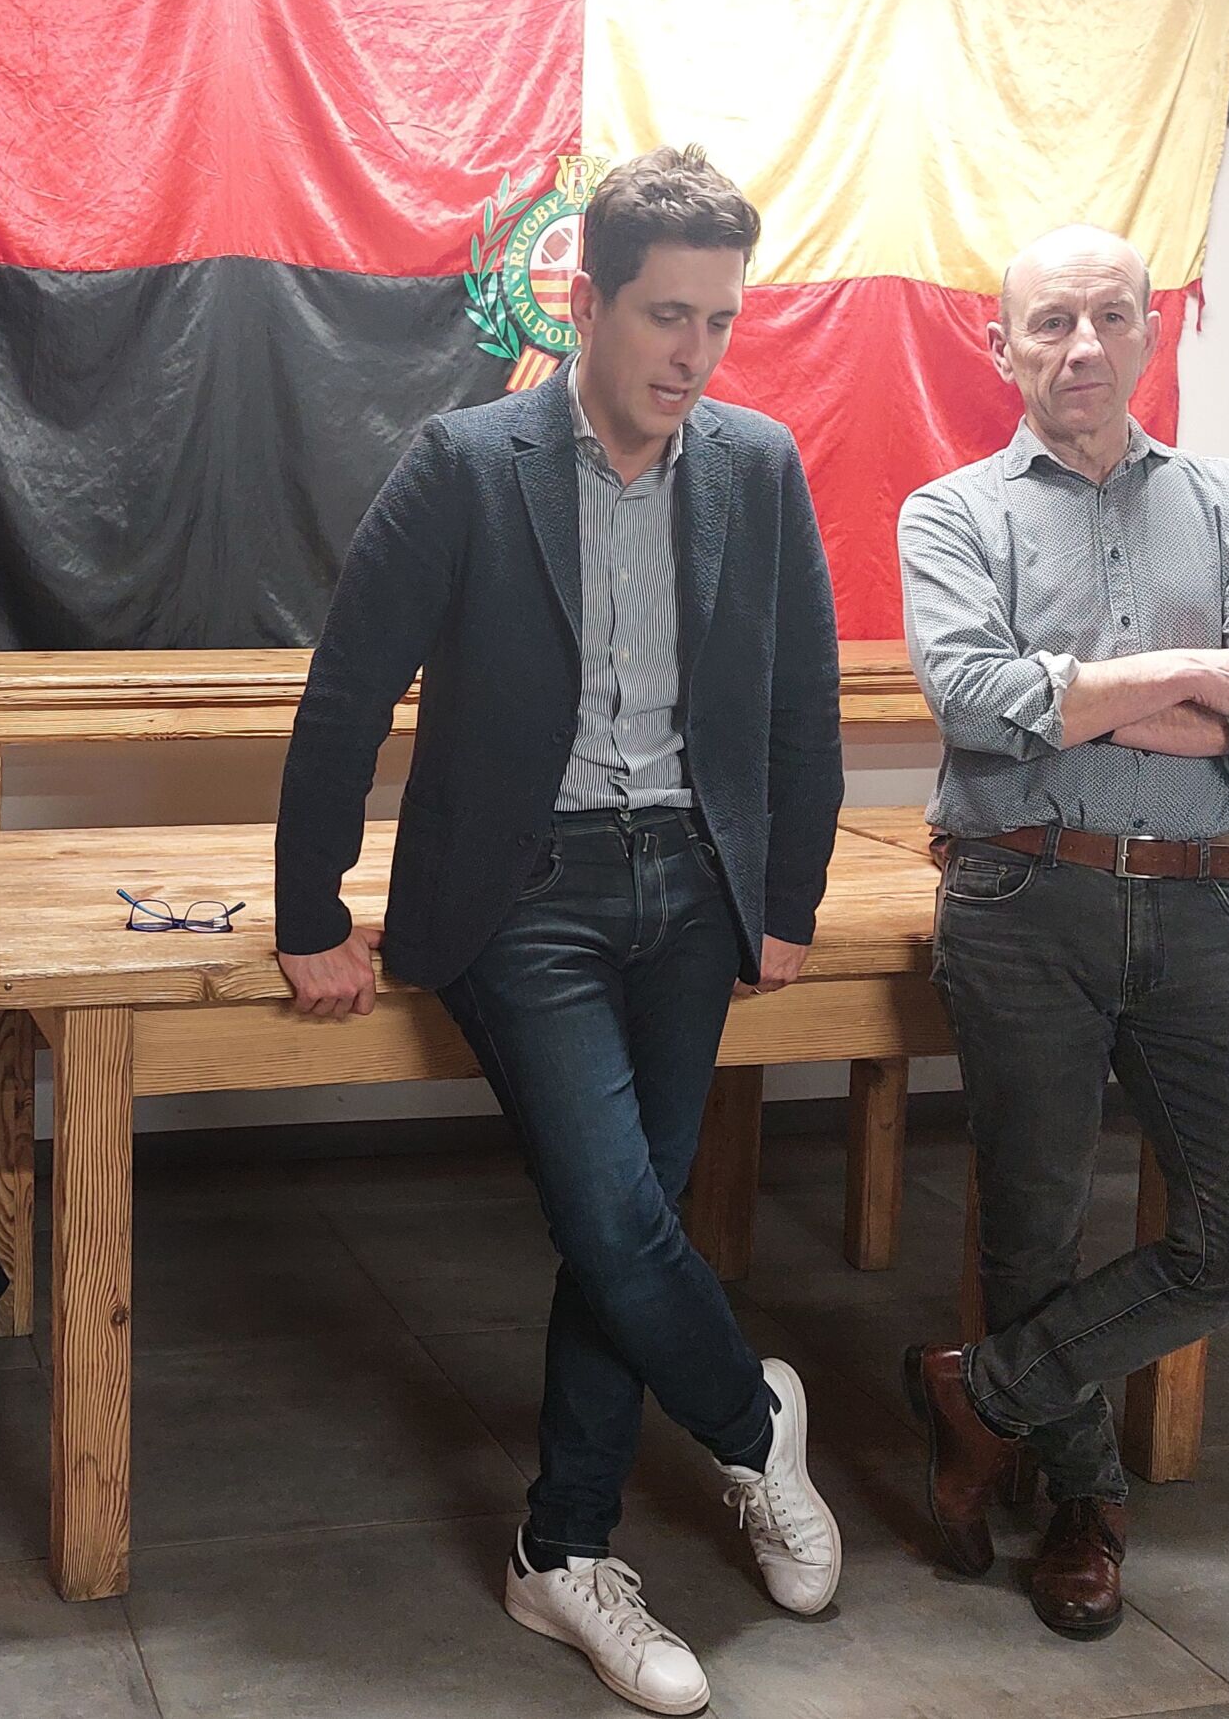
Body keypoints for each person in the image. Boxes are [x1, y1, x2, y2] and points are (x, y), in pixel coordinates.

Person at [274, 145, 845, 1714]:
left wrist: (786, 896)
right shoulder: (467, 463)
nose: (693, 352)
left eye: (719, 320)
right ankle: (754, 1423)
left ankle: (562, 1548)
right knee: (615, 1212)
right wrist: (312, 909)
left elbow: (800, 702)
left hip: (696, 887)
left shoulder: (758, 466)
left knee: (624, 1222)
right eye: (666, 315)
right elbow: (347, 690)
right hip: (522, 892)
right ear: (587, 303)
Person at [899, 223, 1229, 1641]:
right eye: (1050, 322)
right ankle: (1085, 1502)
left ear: (1153, 329)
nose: (1082, 345)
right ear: (1001, 345)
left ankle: (984, 1390)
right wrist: (1201, 674)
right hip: (1022, 897)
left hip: (1202, 896)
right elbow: (977, 702)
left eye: (1110, 317)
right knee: (1030, 1225)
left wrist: (1073, 695)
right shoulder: (951, 514)